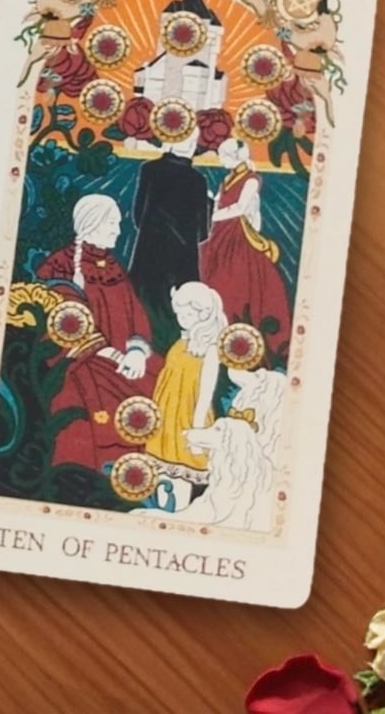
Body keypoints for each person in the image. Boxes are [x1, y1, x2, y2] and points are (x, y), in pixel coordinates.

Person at [36, 194, 161, 472]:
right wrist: (115, 356)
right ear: (91, 225)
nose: (118, 230)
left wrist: (137, 352)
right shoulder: (60, 266)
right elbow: (69, 328)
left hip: (125, 357)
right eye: (111, 224)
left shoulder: (112, 266)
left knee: (165, 380)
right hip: (81, 363)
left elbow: (135, 314)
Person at [199, 137, 292, 363]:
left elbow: (240, 208)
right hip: (219, 232)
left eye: (223, 156)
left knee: (234, 279)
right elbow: (219, 200)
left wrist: (213, 215)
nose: (220, 159)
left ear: (236, 157)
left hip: (237, 233)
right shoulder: (227, 178)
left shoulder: (251, 179)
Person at [143, 282, 228, 511]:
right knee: (162, 472)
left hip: (188, 418)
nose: (183, 319)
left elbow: (206, 391)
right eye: (180, 314)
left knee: (181, 473)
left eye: (188, 314)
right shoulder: (182, 341)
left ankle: (177, 513)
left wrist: (197, 430)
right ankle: (162, 511)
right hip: (166, 416)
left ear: (204, 314)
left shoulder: (210, 349)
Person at [128, 134, 212, 316]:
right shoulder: (198, 179)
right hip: (183, 255)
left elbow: (137, 215)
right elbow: (203, 232)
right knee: (180, 307)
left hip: (148, 249)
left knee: (142, 301)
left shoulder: (149, 169)